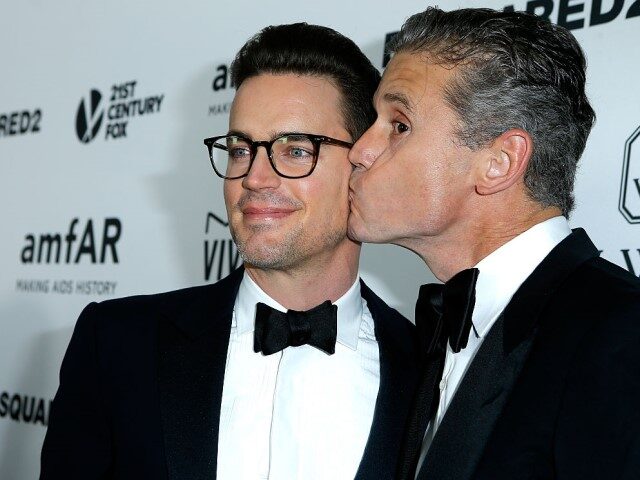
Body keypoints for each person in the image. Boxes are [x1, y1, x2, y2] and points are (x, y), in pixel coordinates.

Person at [40, 23, 418, 480]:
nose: (254, 178)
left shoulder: (426, 370)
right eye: (241, 150)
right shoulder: (116, 345)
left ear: (364, 163)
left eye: (296, 150)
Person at [348, 7, 640, 480]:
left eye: (398, 125)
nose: (360, 151)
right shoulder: (441, 332)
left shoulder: (620, 337)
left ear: (500, 162)